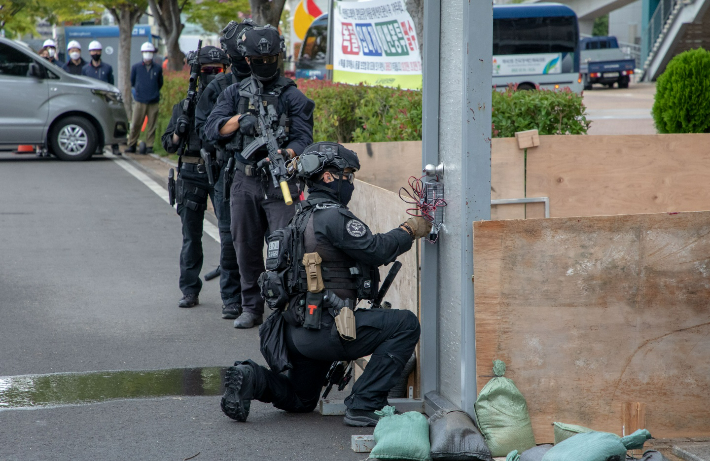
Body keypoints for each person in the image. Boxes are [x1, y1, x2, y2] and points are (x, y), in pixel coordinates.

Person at [219, 142, 431, 427]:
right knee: (405, 324)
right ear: (329, 177)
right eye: (348, 176)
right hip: (327, 330)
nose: (351, 183)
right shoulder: (333, 217)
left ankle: (252, 378)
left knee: (301, 399)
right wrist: (410, 229)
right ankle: (363, 404)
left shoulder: (300, 216)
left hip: (296, 334)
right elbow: (377, 250)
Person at [205, 25, 315, 329]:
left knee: (285, 248)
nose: (265, 62)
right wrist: (240, 120)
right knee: (245, 247)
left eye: (270, 57)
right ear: (248, 59)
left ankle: (283, 309)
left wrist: (286, 154)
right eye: (258, 58)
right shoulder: (233, 93)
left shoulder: (292, 96)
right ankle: (251, 307)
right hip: (245, 179)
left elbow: (305, 139)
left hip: (281, 181)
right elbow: (211, 130)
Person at [161, 46, 233, 309]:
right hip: (191, 173)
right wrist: (180, 130)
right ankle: (190, 290)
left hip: (221, 171)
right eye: (206, 71)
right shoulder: (184, 106)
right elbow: (168, 144)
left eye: (217, 71)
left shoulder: (229, 104)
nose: (212, 76)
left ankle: (231, 297)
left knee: (229, 234)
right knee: (191, 236)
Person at [194, 19, 256, 320]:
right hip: (228, 171)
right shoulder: (220, 86)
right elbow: (205, 132)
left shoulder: (269, 83)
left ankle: (260, 296)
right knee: (232, 240)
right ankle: (233, 299)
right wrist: (235, 124)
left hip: (263, 173)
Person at [126, 42, 163, 154]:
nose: (148, 54)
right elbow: (132, 81)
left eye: (150, 52)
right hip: (139, 100)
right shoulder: (136, 67)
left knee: (152, 125)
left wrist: (155, 93)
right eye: (146, 52)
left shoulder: (157, 68)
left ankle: (149, 146)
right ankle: (132, 144)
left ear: (153, 54)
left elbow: (160, 83)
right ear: (142, 53)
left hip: (153, 101)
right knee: (136, 123)